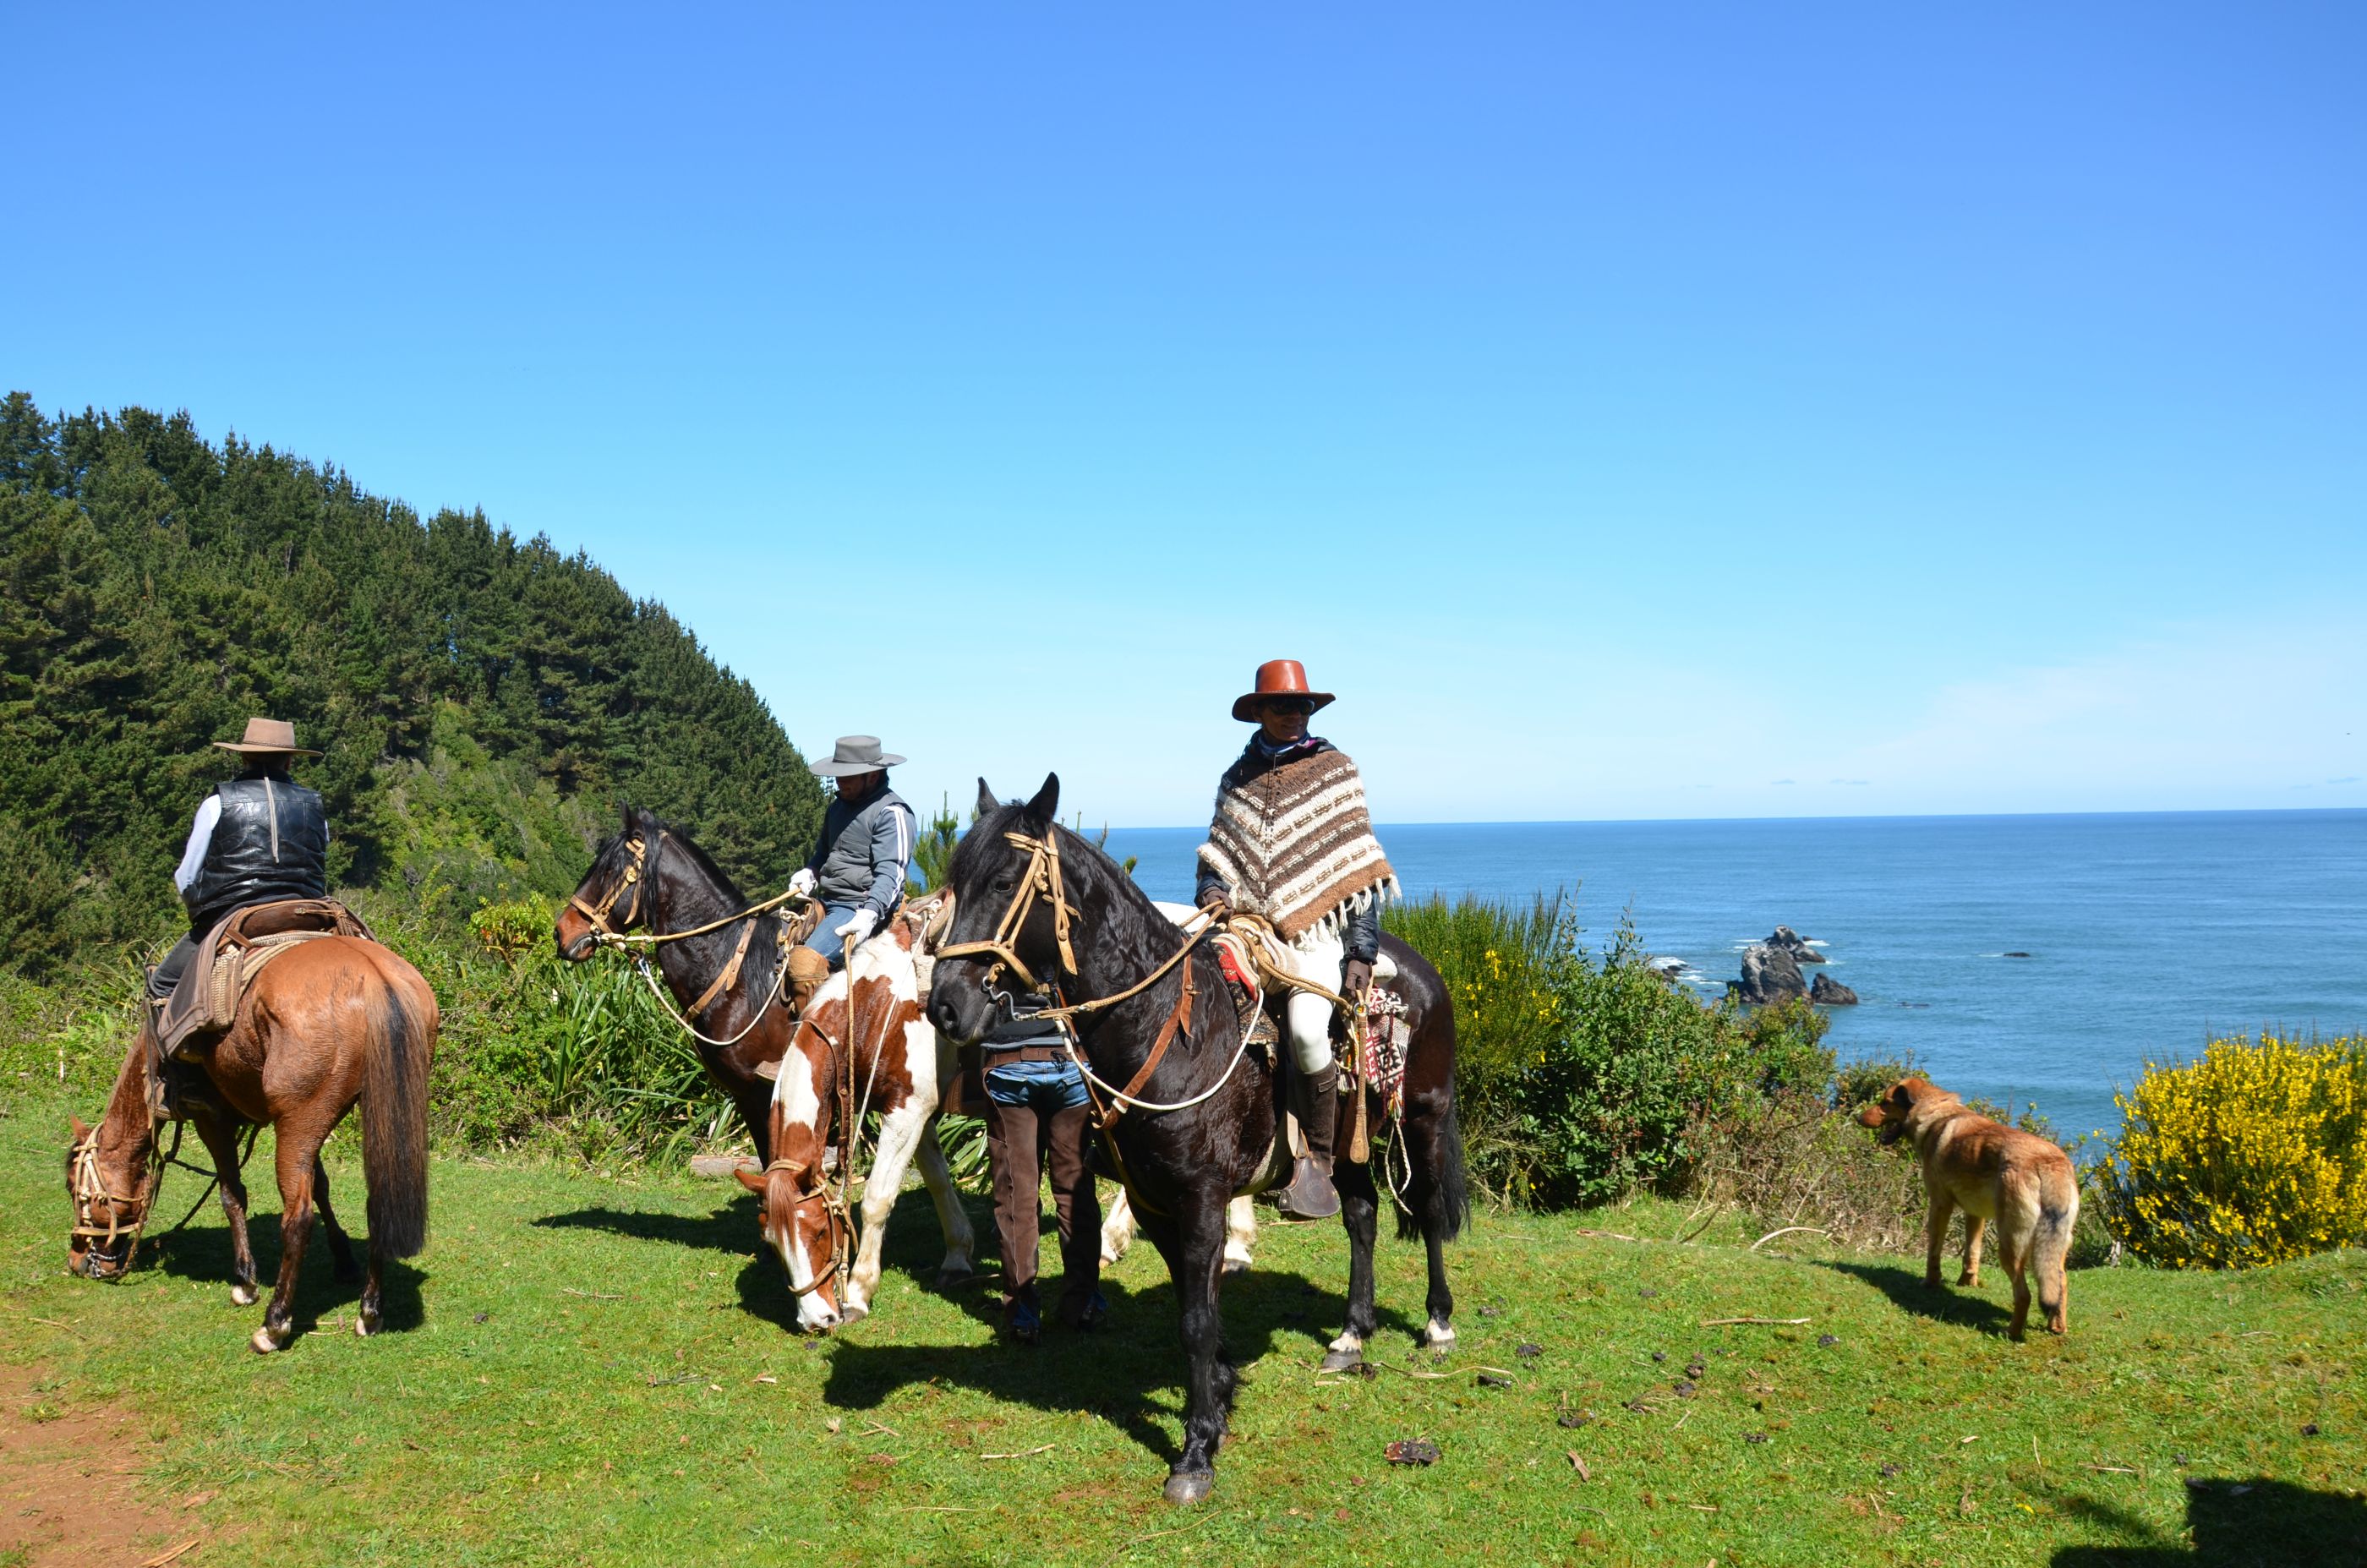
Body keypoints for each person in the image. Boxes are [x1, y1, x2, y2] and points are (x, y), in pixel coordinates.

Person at [1194, 660, 1398, 1221]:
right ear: (1258, 711)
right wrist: (1213, 891)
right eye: (1282, 705)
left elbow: (1355, 870)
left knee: (1309, 1032)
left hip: (1318, 936)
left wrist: (1361, 950)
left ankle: (1320, 1162)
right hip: (1249, 929)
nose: (1293, 714)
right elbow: (1218, 857)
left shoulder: (1335, 771)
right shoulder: (1238, 777)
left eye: (1301, 705)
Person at [150, 717, 331, 1004]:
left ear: (243, 757)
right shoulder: (315, 804)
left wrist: (201, 913)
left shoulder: (218, 802)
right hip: (306, 910)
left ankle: (177, 1048)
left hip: (234, 914)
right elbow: (319, 858)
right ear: (289, 762)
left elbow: (185, 877)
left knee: (162, 985)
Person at [976, 989, 1107, 1342]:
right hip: (1067, 1057)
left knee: (1017, 1195)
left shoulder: (992, 935)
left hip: (1008, 1062)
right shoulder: (1067, 934)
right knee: (1074, 1188)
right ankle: (1082, 1305)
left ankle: (1023, 1313)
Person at [787, 736, 918, 967]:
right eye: (838, 775)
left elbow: (891, 873)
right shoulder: (837, 808)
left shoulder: (891, 812)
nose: (839, 782)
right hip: (826, 901)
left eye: (847, 776)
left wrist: (869, 914)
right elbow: (823, 853)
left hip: (857, 907)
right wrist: (810, 871)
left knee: (806, 963)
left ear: (873, 776)